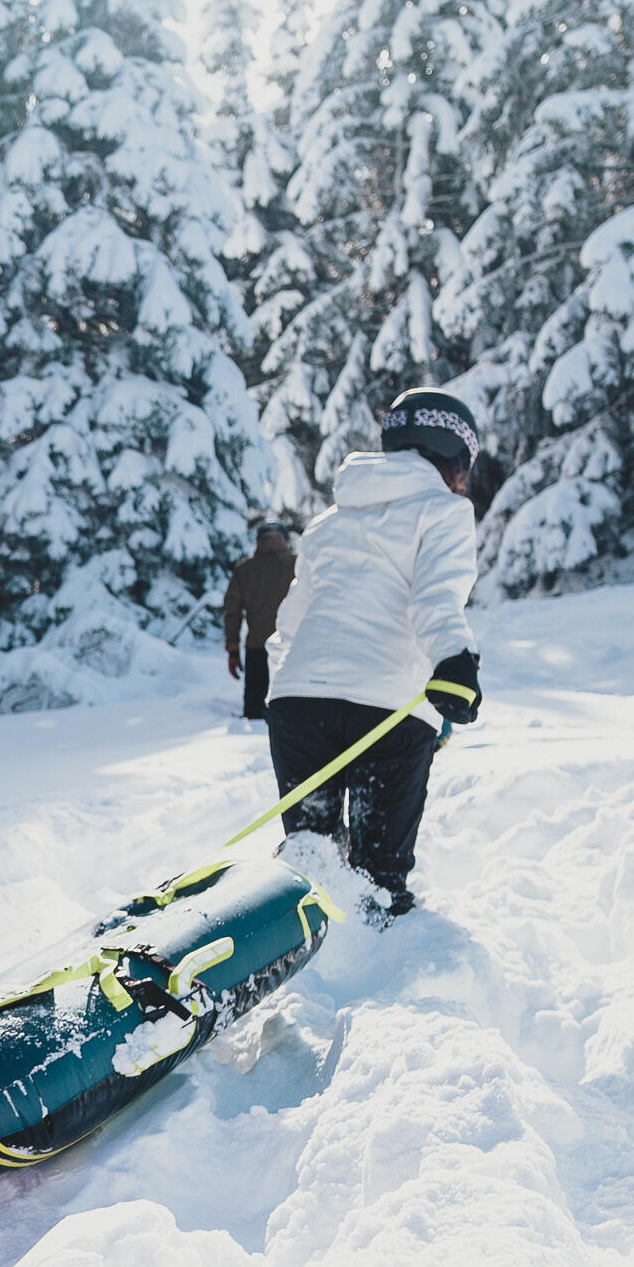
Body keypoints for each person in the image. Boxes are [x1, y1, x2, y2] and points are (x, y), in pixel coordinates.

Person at [263, 388, 485, 915]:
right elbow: (433, 596)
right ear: (453, 457)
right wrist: (454, 660)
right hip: (385, 712)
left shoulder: (328, 523)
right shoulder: (445, 511)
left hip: (297, 705)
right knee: (376, 878)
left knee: (308, 863)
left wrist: (289, 690)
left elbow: (289, 624)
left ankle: (300, 965)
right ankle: (373, 969)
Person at [219, 520, 299, 720]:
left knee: (255, 711)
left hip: (257, 646)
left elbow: (232, 611)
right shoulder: (298, 564)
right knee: (291, 708)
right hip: (292, 645)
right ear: (285, 540)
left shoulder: (245, 569)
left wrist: (233, 648)